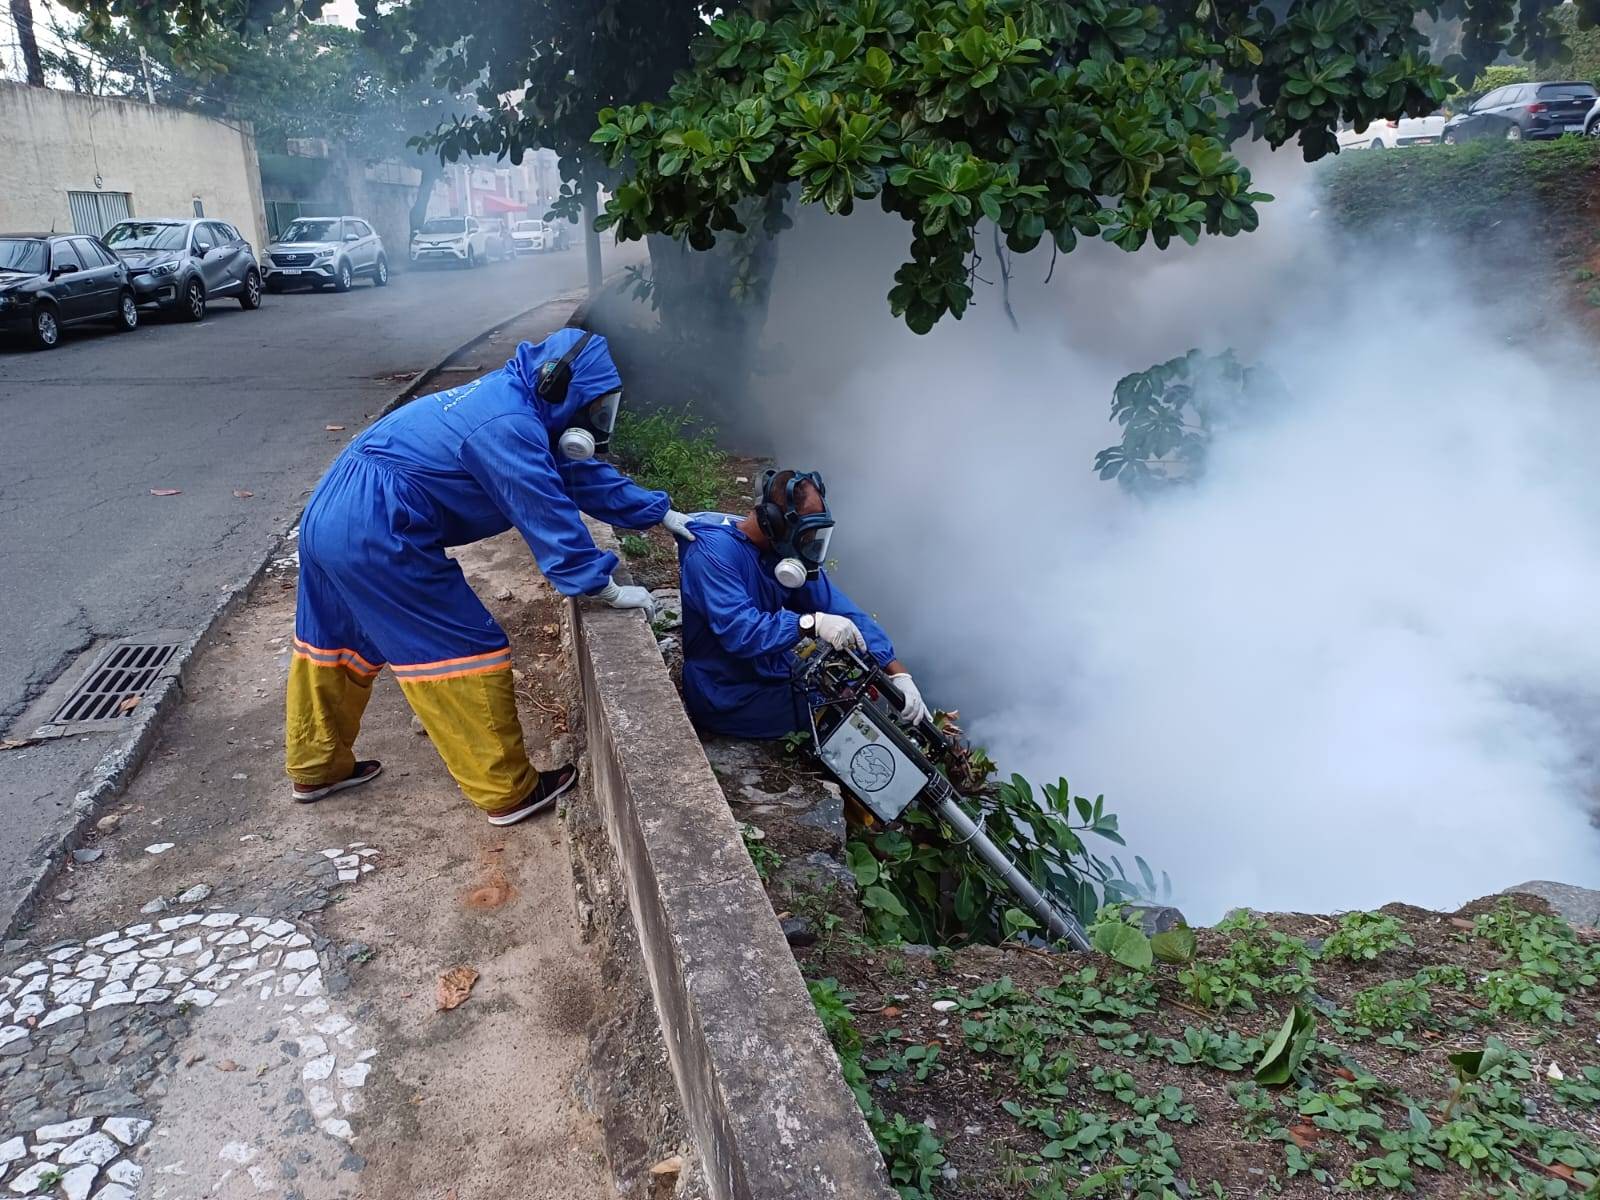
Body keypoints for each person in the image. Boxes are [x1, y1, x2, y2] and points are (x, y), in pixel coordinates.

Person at [284, 327, 697, 826]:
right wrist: (602, 586)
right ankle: (507, 791)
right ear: (559, 386)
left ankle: (316, 767)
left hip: (330, 513)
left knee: (335, 642)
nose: (597, 423)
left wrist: (661, 513)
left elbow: (574, 474)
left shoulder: (515, 402)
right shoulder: (509, 426)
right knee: (462, 647)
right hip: (376, 525)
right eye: (595, 408)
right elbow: (549, 514)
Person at [676, 468, 930, 738]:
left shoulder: (781, 550)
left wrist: (897, 672)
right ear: (773, 522)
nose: (810, 543)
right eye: (806, 535)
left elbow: (839, 608)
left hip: (772, 673)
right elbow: (740, 631)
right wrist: (810, 624)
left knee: (853, 691)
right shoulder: (711, 555)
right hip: (727, 693)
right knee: (844, 717)